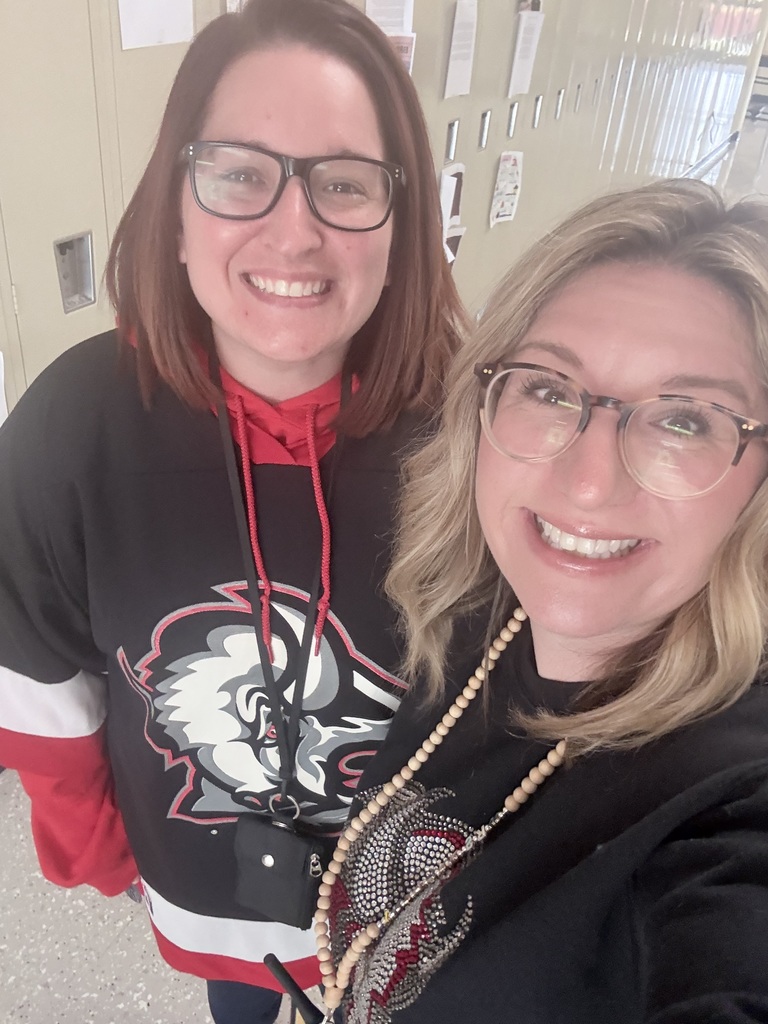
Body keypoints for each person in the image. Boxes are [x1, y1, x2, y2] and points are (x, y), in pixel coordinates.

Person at [0, 1, 465, 1022]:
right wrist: (111, 860)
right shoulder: (70, 428)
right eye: (240, 173)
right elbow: (41, 677)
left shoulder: (477, 435)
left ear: (404, 221)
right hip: (214, 896)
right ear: (175, 205)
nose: (293, 229)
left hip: (429, 916)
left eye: (344, 182)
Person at [313, 179, 768, 1023]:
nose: (588, 484)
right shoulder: (481, 614)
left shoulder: (731, 803)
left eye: (684, 421)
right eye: (551, 390)